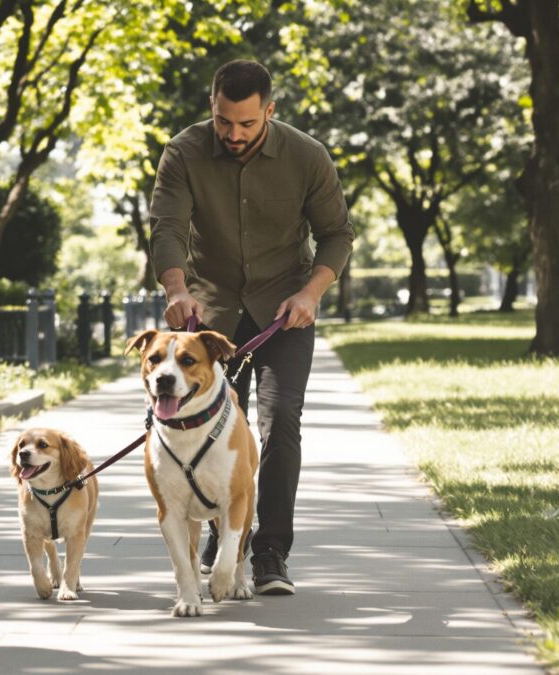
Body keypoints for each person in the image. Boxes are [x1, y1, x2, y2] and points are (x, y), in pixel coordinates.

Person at [149, 59, 354, 595]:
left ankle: (270, 553)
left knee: (280, 420)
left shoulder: (307, 156)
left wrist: (312, 292)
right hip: (210, 319)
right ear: (212, 107)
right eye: (223, 122)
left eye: (246, 123)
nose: (233, 134)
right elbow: (167, 226)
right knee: (205, 429)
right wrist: (175, 289)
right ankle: (223, 538)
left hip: (285, 311)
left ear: (270, 110)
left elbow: (337, 234)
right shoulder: (184, 152)